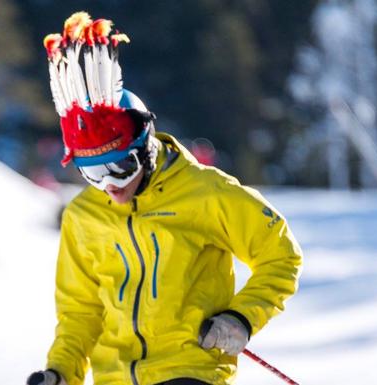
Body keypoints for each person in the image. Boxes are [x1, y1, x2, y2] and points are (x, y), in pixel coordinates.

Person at [27, 12, 303, 385]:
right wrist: (61, 372)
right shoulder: (84, 216)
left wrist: (241, 318)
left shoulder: (206, 191)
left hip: (190, 371)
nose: (109, 184)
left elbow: (280, 255)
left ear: (146, 148)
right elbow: (80, 311)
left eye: (120, 167)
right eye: (92, 174)